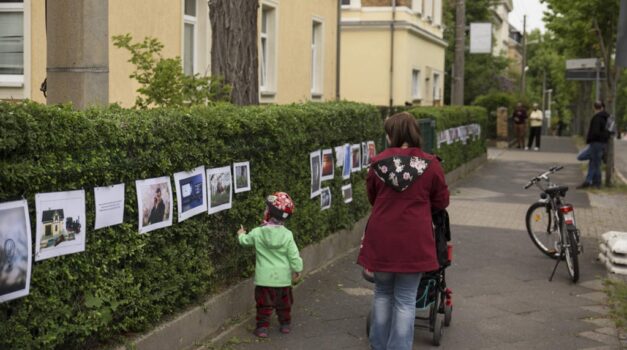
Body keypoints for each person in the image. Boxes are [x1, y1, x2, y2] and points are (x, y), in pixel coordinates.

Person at [358, 112, 450, 350]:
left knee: (382, 294)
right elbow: (441, 201)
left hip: (382, 238)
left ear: (392, 135)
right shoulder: (430, 165)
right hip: (414, 240)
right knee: (406, 300)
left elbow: (373, 197)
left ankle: (378, 345)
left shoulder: (378, 164)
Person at [237, 192, 303, 338]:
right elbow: (294, 255)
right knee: (284, 304)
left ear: (270, 213)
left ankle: (262, 328)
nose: (265, 211)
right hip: (283, 279)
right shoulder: (287, 235)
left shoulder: (257, 232)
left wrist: (241, 234)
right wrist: (297, 269)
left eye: (266, 209)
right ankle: (285, 325)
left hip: (264, 279)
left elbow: (245, 241)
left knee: (263, 305)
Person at [577, 101, 610, 189]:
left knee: (588, 160)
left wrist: (590, 139)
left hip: (595, 143)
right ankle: (589, 181)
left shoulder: (597, 118)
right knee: (594, 163)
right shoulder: (607, 118)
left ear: (594, 108)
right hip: (602, 143)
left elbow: (595, 132)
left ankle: (596, 183)